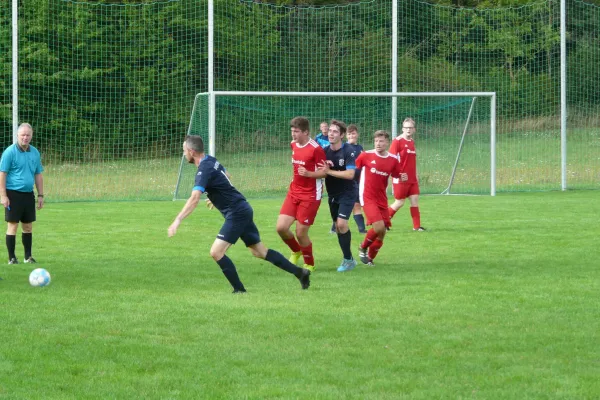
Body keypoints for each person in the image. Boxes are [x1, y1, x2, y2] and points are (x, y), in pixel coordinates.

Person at [168, 135, 310, 293]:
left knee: (216, 252)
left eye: (184, 151)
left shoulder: (203, 169)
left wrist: (178, 220)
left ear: (192, 152)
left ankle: (239, 290)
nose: (183, 154)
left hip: (236, 212)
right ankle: (301, 273)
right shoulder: (210, 160)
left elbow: (194, 199)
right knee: (259, 252)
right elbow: (226, 176)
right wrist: (216, 197)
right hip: (242, 208)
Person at [276, 117, 326, 273]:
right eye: (292, 131)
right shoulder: (293, 145)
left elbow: (324, 173)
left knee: (300, 232)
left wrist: (310, 173)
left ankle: (309, 263)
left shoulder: (316, 149)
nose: (293, 134)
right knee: (281, 228)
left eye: (296, 131)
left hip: (311, 195)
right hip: (294, 192)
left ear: (306, 132)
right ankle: (296, 251)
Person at [355, 130, 405, 266]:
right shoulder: (366, 155)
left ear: (387, 142)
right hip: (367, 196)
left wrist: (402, 176)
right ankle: (363, 247)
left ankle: (370, 259)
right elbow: (354, 169)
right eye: (376, 141)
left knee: (382, 232)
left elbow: (396, 174)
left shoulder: (393, 160)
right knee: (379, 227)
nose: (378, 143)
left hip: (381, 198)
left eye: (381, 141)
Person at [0, 123, 44, 265]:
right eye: (23, 135)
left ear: (31, 136)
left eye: (28, 135)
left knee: (28, 226)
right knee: (13, 225)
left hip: (28, 194)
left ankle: (28, 257)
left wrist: (41, 195)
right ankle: (12, 258)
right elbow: (2, 174)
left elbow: (38, 174)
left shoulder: (35, 152)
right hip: (13, 194)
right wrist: (3, 195)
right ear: (17, 135)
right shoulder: (9, 152)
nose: (25, 137)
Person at [317, 120, 358, 272]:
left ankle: (348, 260)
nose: (331, 134)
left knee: (341, 224)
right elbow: (320, 170)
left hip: (348, 192)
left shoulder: (348, 151)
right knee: (338, 227)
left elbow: (350, 174)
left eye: (335, 132)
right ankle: (349, 259)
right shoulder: (325, 151)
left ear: (341, 135)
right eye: (330, 131)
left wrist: (329, 171)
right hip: (333, 194)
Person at [388, 118, 426, 231]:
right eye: (406, 127)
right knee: (399, 202)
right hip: (400, 179)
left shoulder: (412, 142)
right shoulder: (397, 141)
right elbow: (390, 160)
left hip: (412, 179)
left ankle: (417, 227)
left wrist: (416, 175)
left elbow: (412, 162)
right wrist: (397, 174)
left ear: (414, 129)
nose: (408, 130)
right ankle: (383, 221)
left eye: (410, 128)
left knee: (415, 200)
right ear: (402, 129)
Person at [345, 124, 367, 234]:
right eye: (349, 134)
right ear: (346, 135)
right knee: (345, 205)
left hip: (358, 181)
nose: (351, 136)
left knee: (357, 205)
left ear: (357, 134)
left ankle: (362, 229)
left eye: (353, 133)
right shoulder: (344, 147)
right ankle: (335, 227)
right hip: (347, 182)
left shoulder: (360, 148)